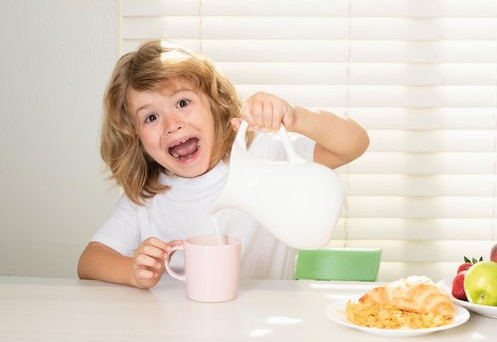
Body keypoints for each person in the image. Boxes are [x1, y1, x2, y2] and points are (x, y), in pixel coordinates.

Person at [77, 40, 369, 289]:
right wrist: (131, 271)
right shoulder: (148, 196)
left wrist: (297, 118)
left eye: (182, 103)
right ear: (136, 138)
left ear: (214, 104)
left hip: (263, 334)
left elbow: (354, 144)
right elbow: (89, 261)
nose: (172, 124)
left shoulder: (261, 154)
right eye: (150, 117)